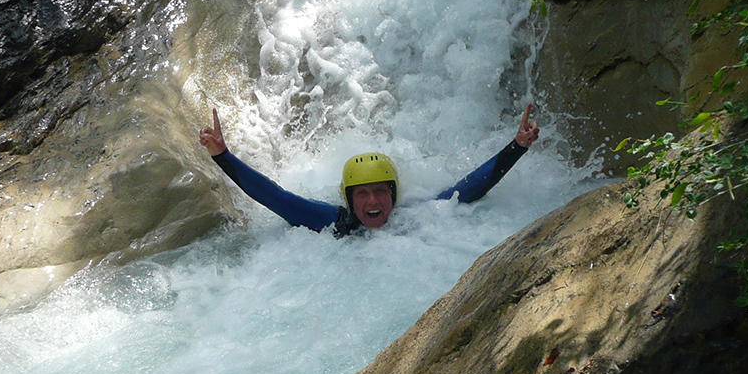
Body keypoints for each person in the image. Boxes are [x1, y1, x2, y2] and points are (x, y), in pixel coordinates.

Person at [199, 104, 541, 236]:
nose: (373, 201)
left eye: (380, 191)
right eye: (362, 193)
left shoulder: (416, 217)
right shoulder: (333, 222)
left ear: (394, 194)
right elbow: (274, 197)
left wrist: (517, 147)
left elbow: (467, 189)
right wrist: (223, 155)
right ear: (349, 198)